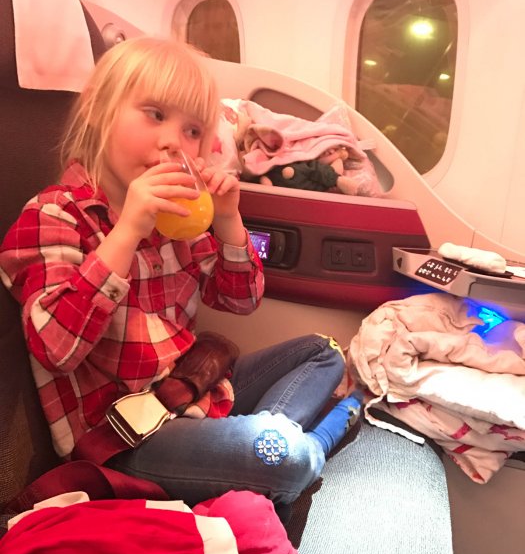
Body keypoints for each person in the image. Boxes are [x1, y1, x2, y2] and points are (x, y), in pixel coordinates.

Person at [0, 36, 358, 511]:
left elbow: (241, 300)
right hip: (126, 436)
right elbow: (55, 349)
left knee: (323, 351)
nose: (173, 141)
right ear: (97, 111)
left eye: (192, 131)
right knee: (285, 454)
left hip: (191, 388)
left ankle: (246, 456)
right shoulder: (53, 216)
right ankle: (303, 445)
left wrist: (228, 220)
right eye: (155, 114)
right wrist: (127, 230)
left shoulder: (177, 220)